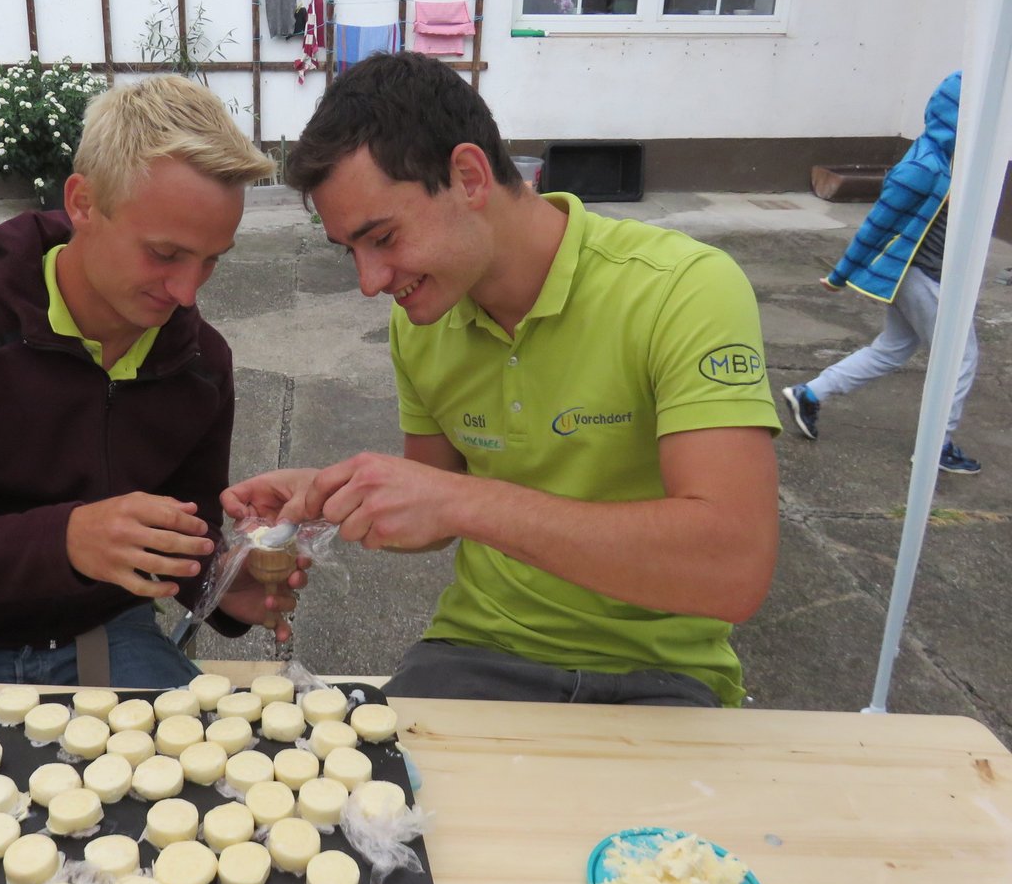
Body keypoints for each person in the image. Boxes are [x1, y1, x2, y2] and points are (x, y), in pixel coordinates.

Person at [224, 52, 781, 708]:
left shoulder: (682, 290)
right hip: (476, 651)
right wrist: (334, 494)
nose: (370, 282)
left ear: (468, 177)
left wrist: (462, 502)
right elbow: (435, 508)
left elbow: (732, 569)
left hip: (663, 671)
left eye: (383, 238)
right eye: (352, 250)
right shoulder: (423, 323)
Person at [0, 75, 288, 686]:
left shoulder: (200, 363)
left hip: (108, 629)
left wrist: (225, 585)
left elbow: (184, 536)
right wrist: (64, 540)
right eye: (165, 254)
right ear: (83, 202)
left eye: (212, 258)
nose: (187, 292)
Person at [782, 71, 981, 474]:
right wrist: (840, 275)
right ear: (958, 114)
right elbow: (877, 225)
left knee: (893, 348)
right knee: (959, 358)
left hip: (925, 276)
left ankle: (810, 393)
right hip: (920, 276)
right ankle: (936, 445)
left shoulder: (950, 160)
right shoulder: (923, 167)